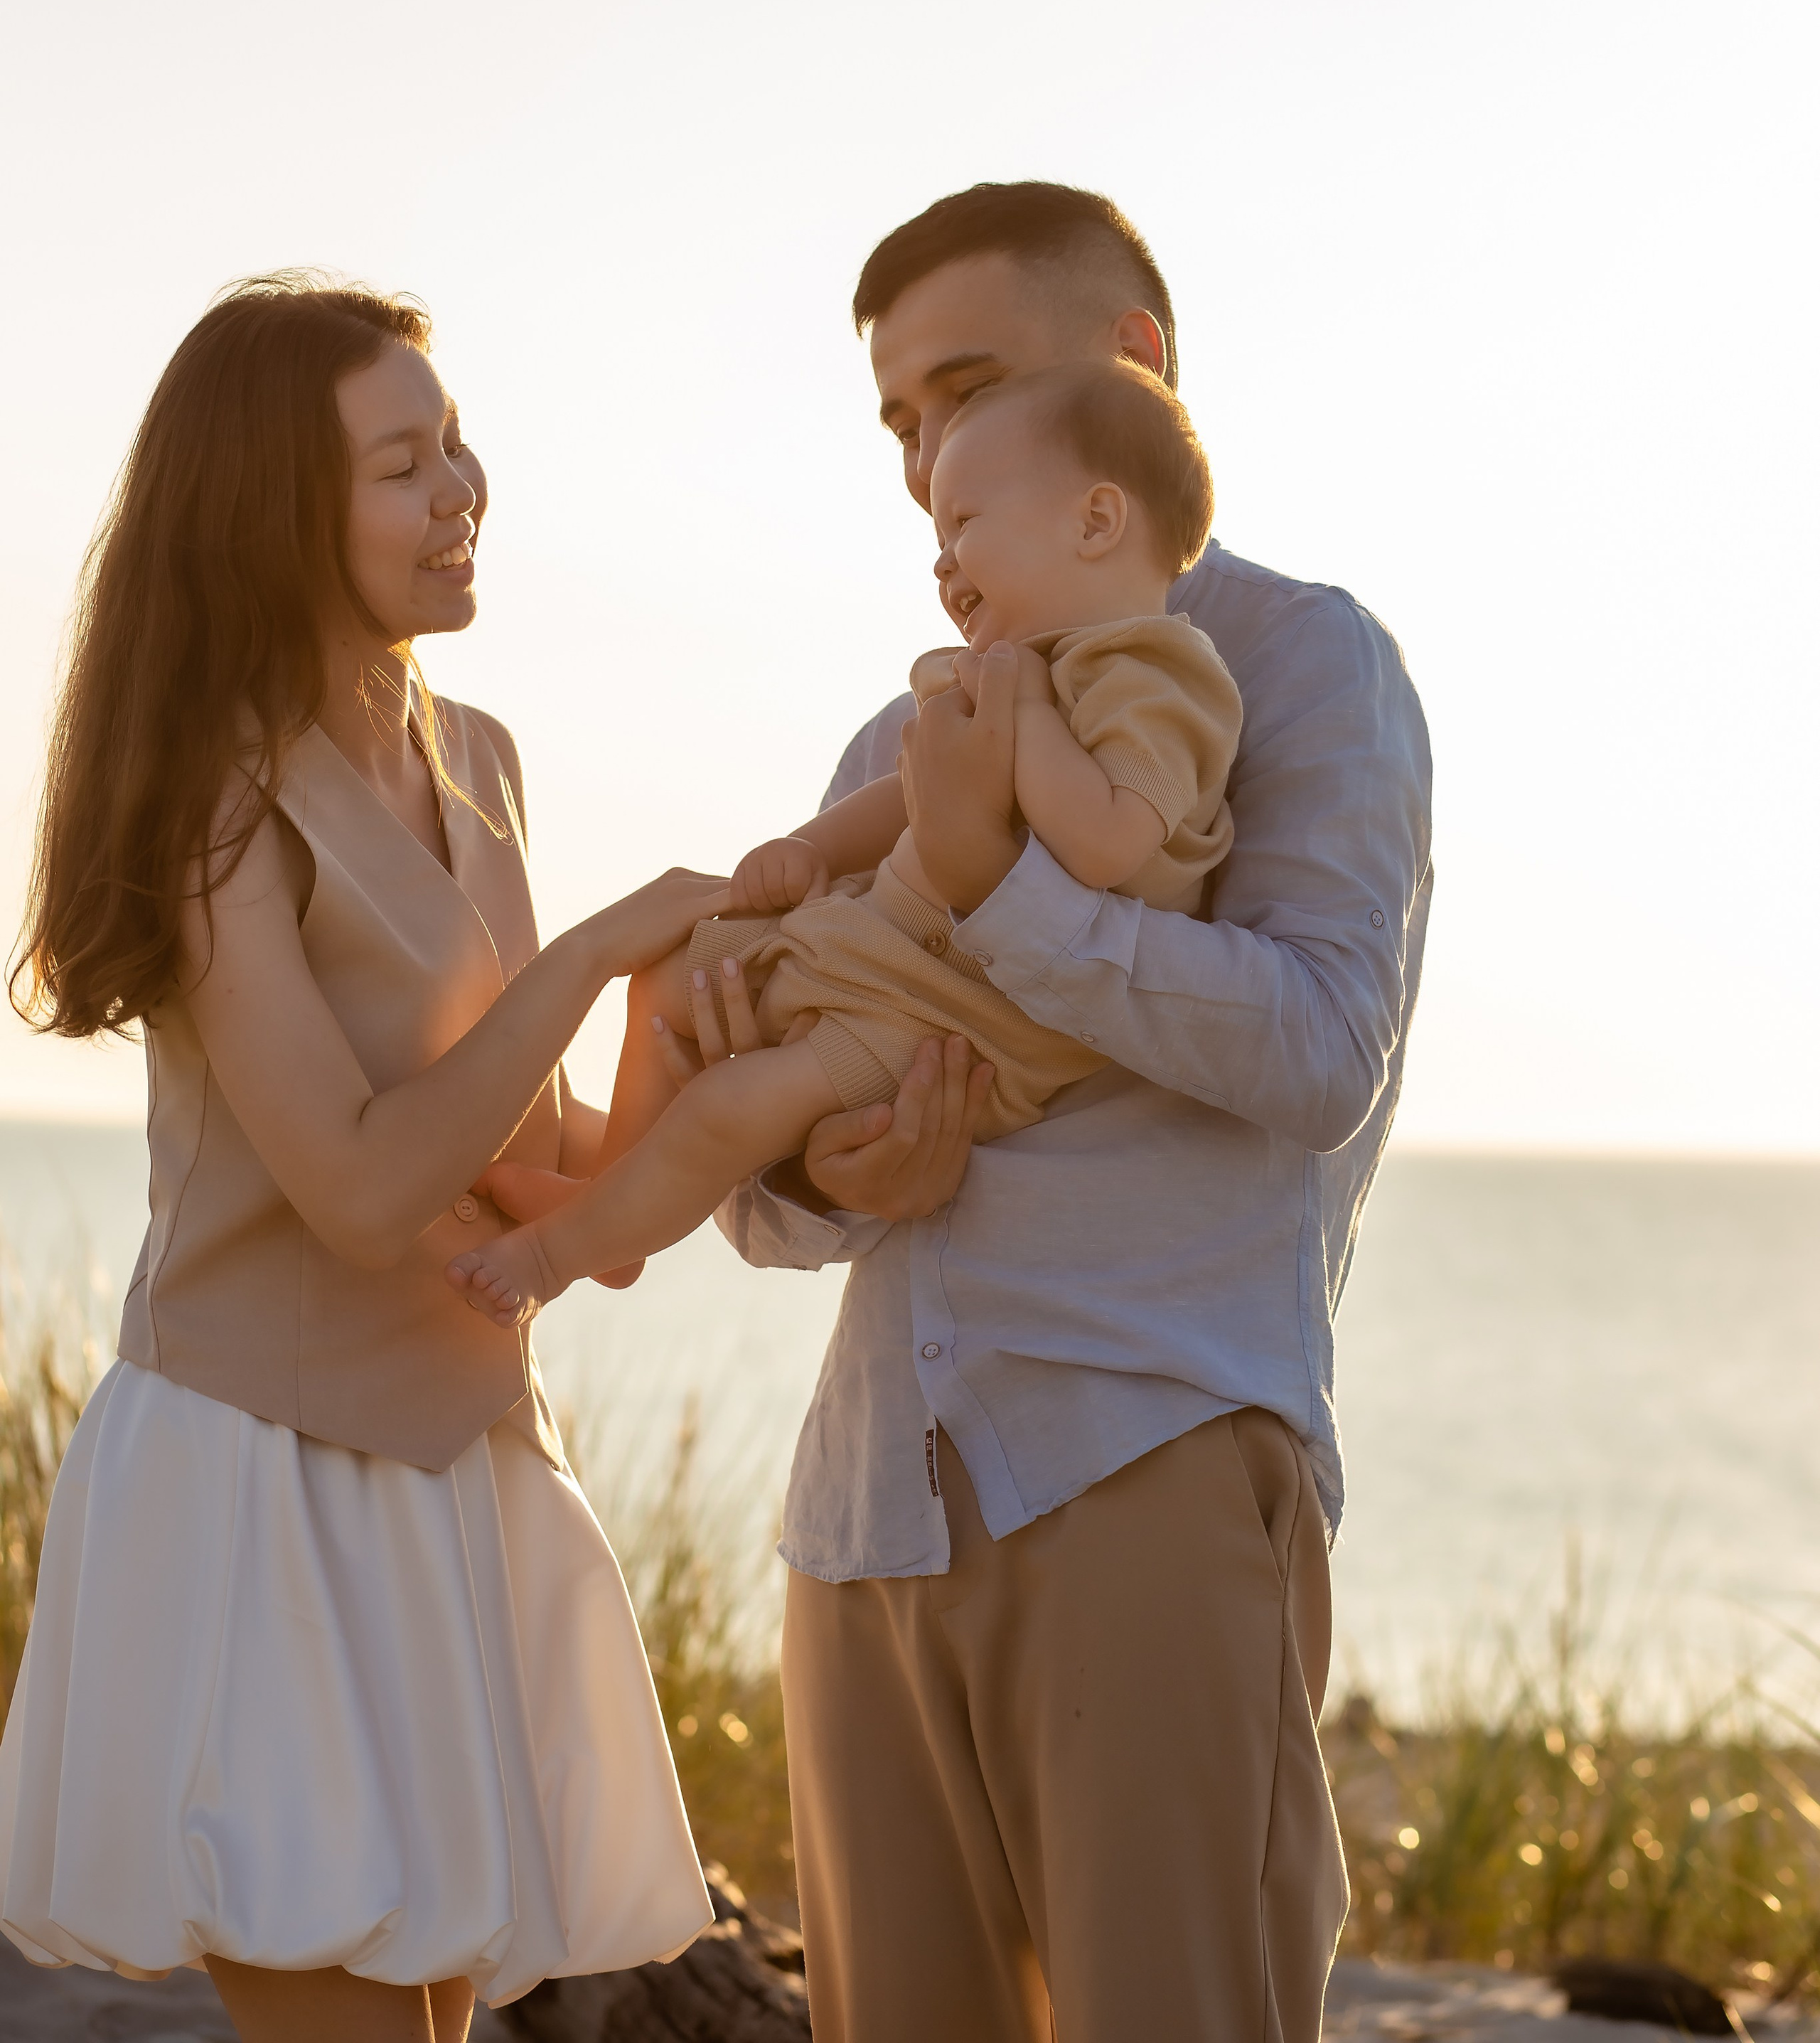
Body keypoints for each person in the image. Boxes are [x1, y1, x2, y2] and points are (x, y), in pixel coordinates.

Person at [714, 181, 1433, 2043]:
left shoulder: (1302, 662)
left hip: (1144, 1457)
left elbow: (1320, 1048)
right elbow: (772, 1208)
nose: (924, 459)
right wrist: (825, 1160)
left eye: (961, 390)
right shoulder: (908, 732)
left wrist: (1001, 895)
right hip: (870, 1509)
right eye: (897, 421)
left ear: (1136, 364)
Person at [0, 276, 725, 2042]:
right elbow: (359, 1186)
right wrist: (593, 954)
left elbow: (553, 1179)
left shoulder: (475, 759)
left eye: (454, 445)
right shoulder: (211, 793)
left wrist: (707, 1042)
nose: (460, 490)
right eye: (403, 466)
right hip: (258, 1492)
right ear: (274, 513)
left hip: (459, 1482)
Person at [446, 358, 1242, 1328]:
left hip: (954, 1017)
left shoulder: (1153, 673)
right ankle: (609, 1198)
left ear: (1096, 521)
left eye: (966, 523)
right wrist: (812, 849)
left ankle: (552, 1255)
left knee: (734, 1106)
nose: (942, 561)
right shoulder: (1016, 669)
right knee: (668, 977)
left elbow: (1111, 843)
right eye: (937, 537)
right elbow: (909, 796)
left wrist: (1026, 712)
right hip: (876, 944)